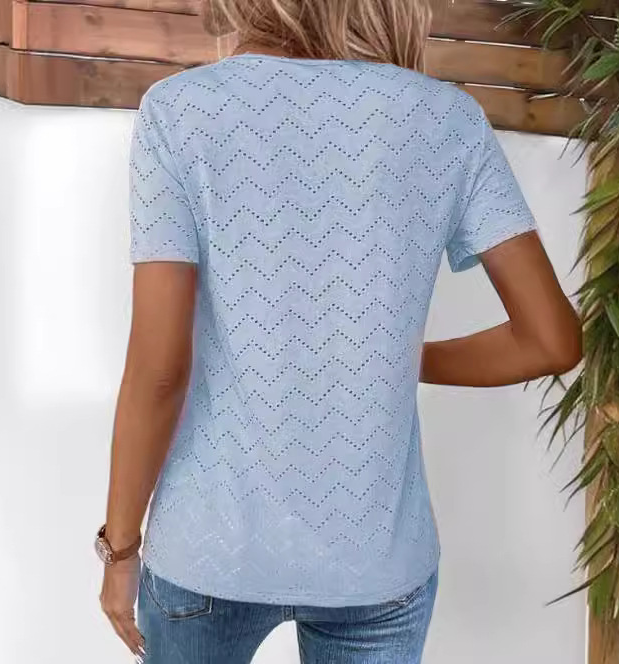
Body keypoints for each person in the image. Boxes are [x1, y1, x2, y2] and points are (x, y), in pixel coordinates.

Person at [96, 0, 583, 662]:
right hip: (377, 562)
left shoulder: (181, 110)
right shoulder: (448, 118)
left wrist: (120, 548)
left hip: (210, 547)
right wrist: (389, 356)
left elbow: (159, 372)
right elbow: (551, 340)